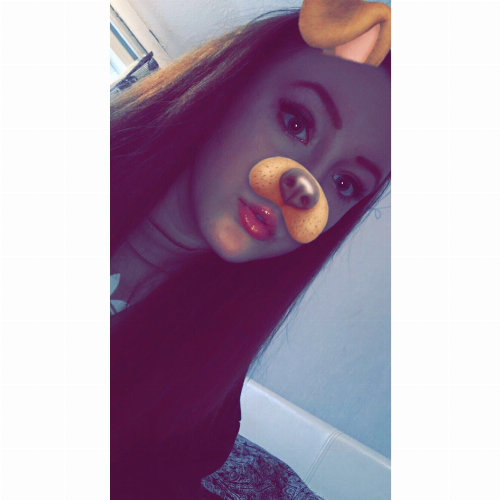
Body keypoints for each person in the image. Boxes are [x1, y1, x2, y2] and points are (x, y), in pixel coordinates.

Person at [110, 8, 391, 500]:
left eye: (345, 182)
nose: (304, 187)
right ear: (231, 87)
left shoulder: (202, 416)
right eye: (297, 122)